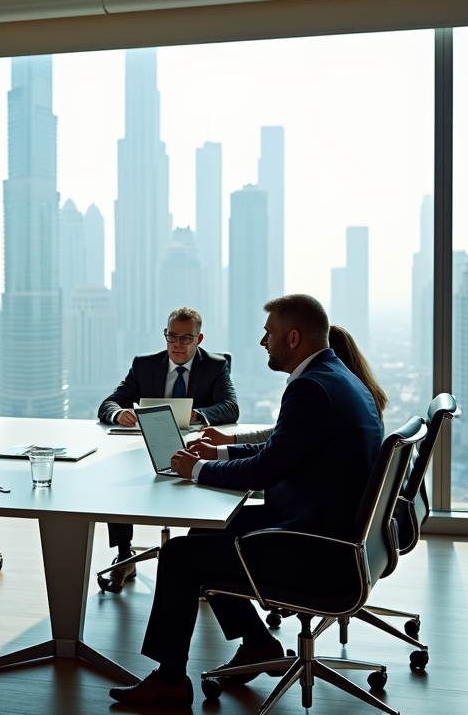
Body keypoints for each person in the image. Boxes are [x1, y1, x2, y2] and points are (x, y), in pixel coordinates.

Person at [108, 295, 382, 707]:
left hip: (316, 547)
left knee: (180, 555)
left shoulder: (310, 387)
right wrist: (214, 455)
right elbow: (284, 451)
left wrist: (196, 470)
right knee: (206, 528)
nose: (261, 342)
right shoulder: (338, 376)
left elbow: (265, 470)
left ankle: (169, 683)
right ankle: (257, 644)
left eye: (268, 334)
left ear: (293, 337)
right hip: (334, 529)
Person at [96, 306, 239, 593]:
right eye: (171, 336)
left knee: (209, 484)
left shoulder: (215, 365)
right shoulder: (145, 364)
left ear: (199, 339)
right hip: (146, 446)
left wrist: (196, 415)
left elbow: (230, 407)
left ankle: (200, 563)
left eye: (185, 338)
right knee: (117, 479)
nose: (177, 344)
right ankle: (125, 555)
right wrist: (118, 414)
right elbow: (109, 403)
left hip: (194, 447)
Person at [191, 324, 388, 447]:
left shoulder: (316, 391)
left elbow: (275, 454)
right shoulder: (360, 394)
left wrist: (204, 466)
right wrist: (230, 441)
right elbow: (283, 434)